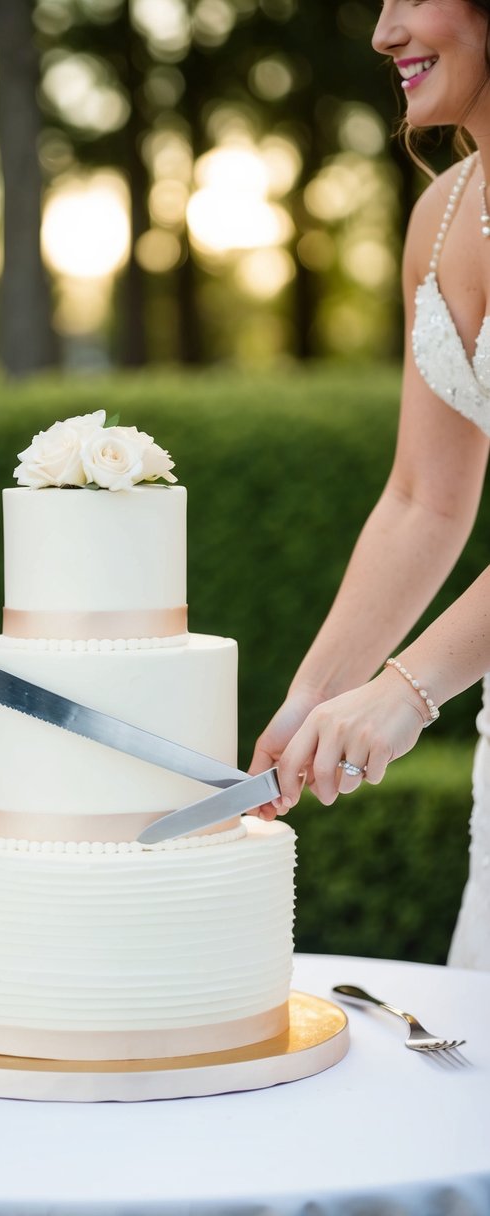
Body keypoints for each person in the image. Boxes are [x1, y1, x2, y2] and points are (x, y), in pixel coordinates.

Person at [250, 0, 490, 971]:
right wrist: (317, 692)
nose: (385, 33)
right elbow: (421, 498)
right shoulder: (438, 219)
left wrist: (408, 689)